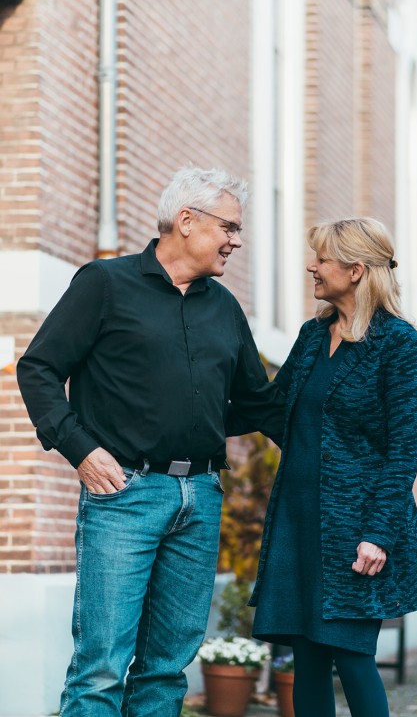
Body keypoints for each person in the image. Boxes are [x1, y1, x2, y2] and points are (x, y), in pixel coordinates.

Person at [17, 166, 284, 717]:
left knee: (166, 671)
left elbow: (258, 405)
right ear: (186, 221)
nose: (236, 240)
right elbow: (39, 368)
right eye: (229, 227)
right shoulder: (104, 284)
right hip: (124, 495)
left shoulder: (224, 307)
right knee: (101, 668)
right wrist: (82, 450)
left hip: (201, 498)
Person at [234, 217, 417, 717]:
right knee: (308, 659)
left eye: (321, 258)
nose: (311, 267)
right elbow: (277, 411)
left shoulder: (400, 345)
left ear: (357, 270)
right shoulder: (312, 335)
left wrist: (379, 535)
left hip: (356, 529)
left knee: (352, 657)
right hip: (299, 522)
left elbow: (402, 451)